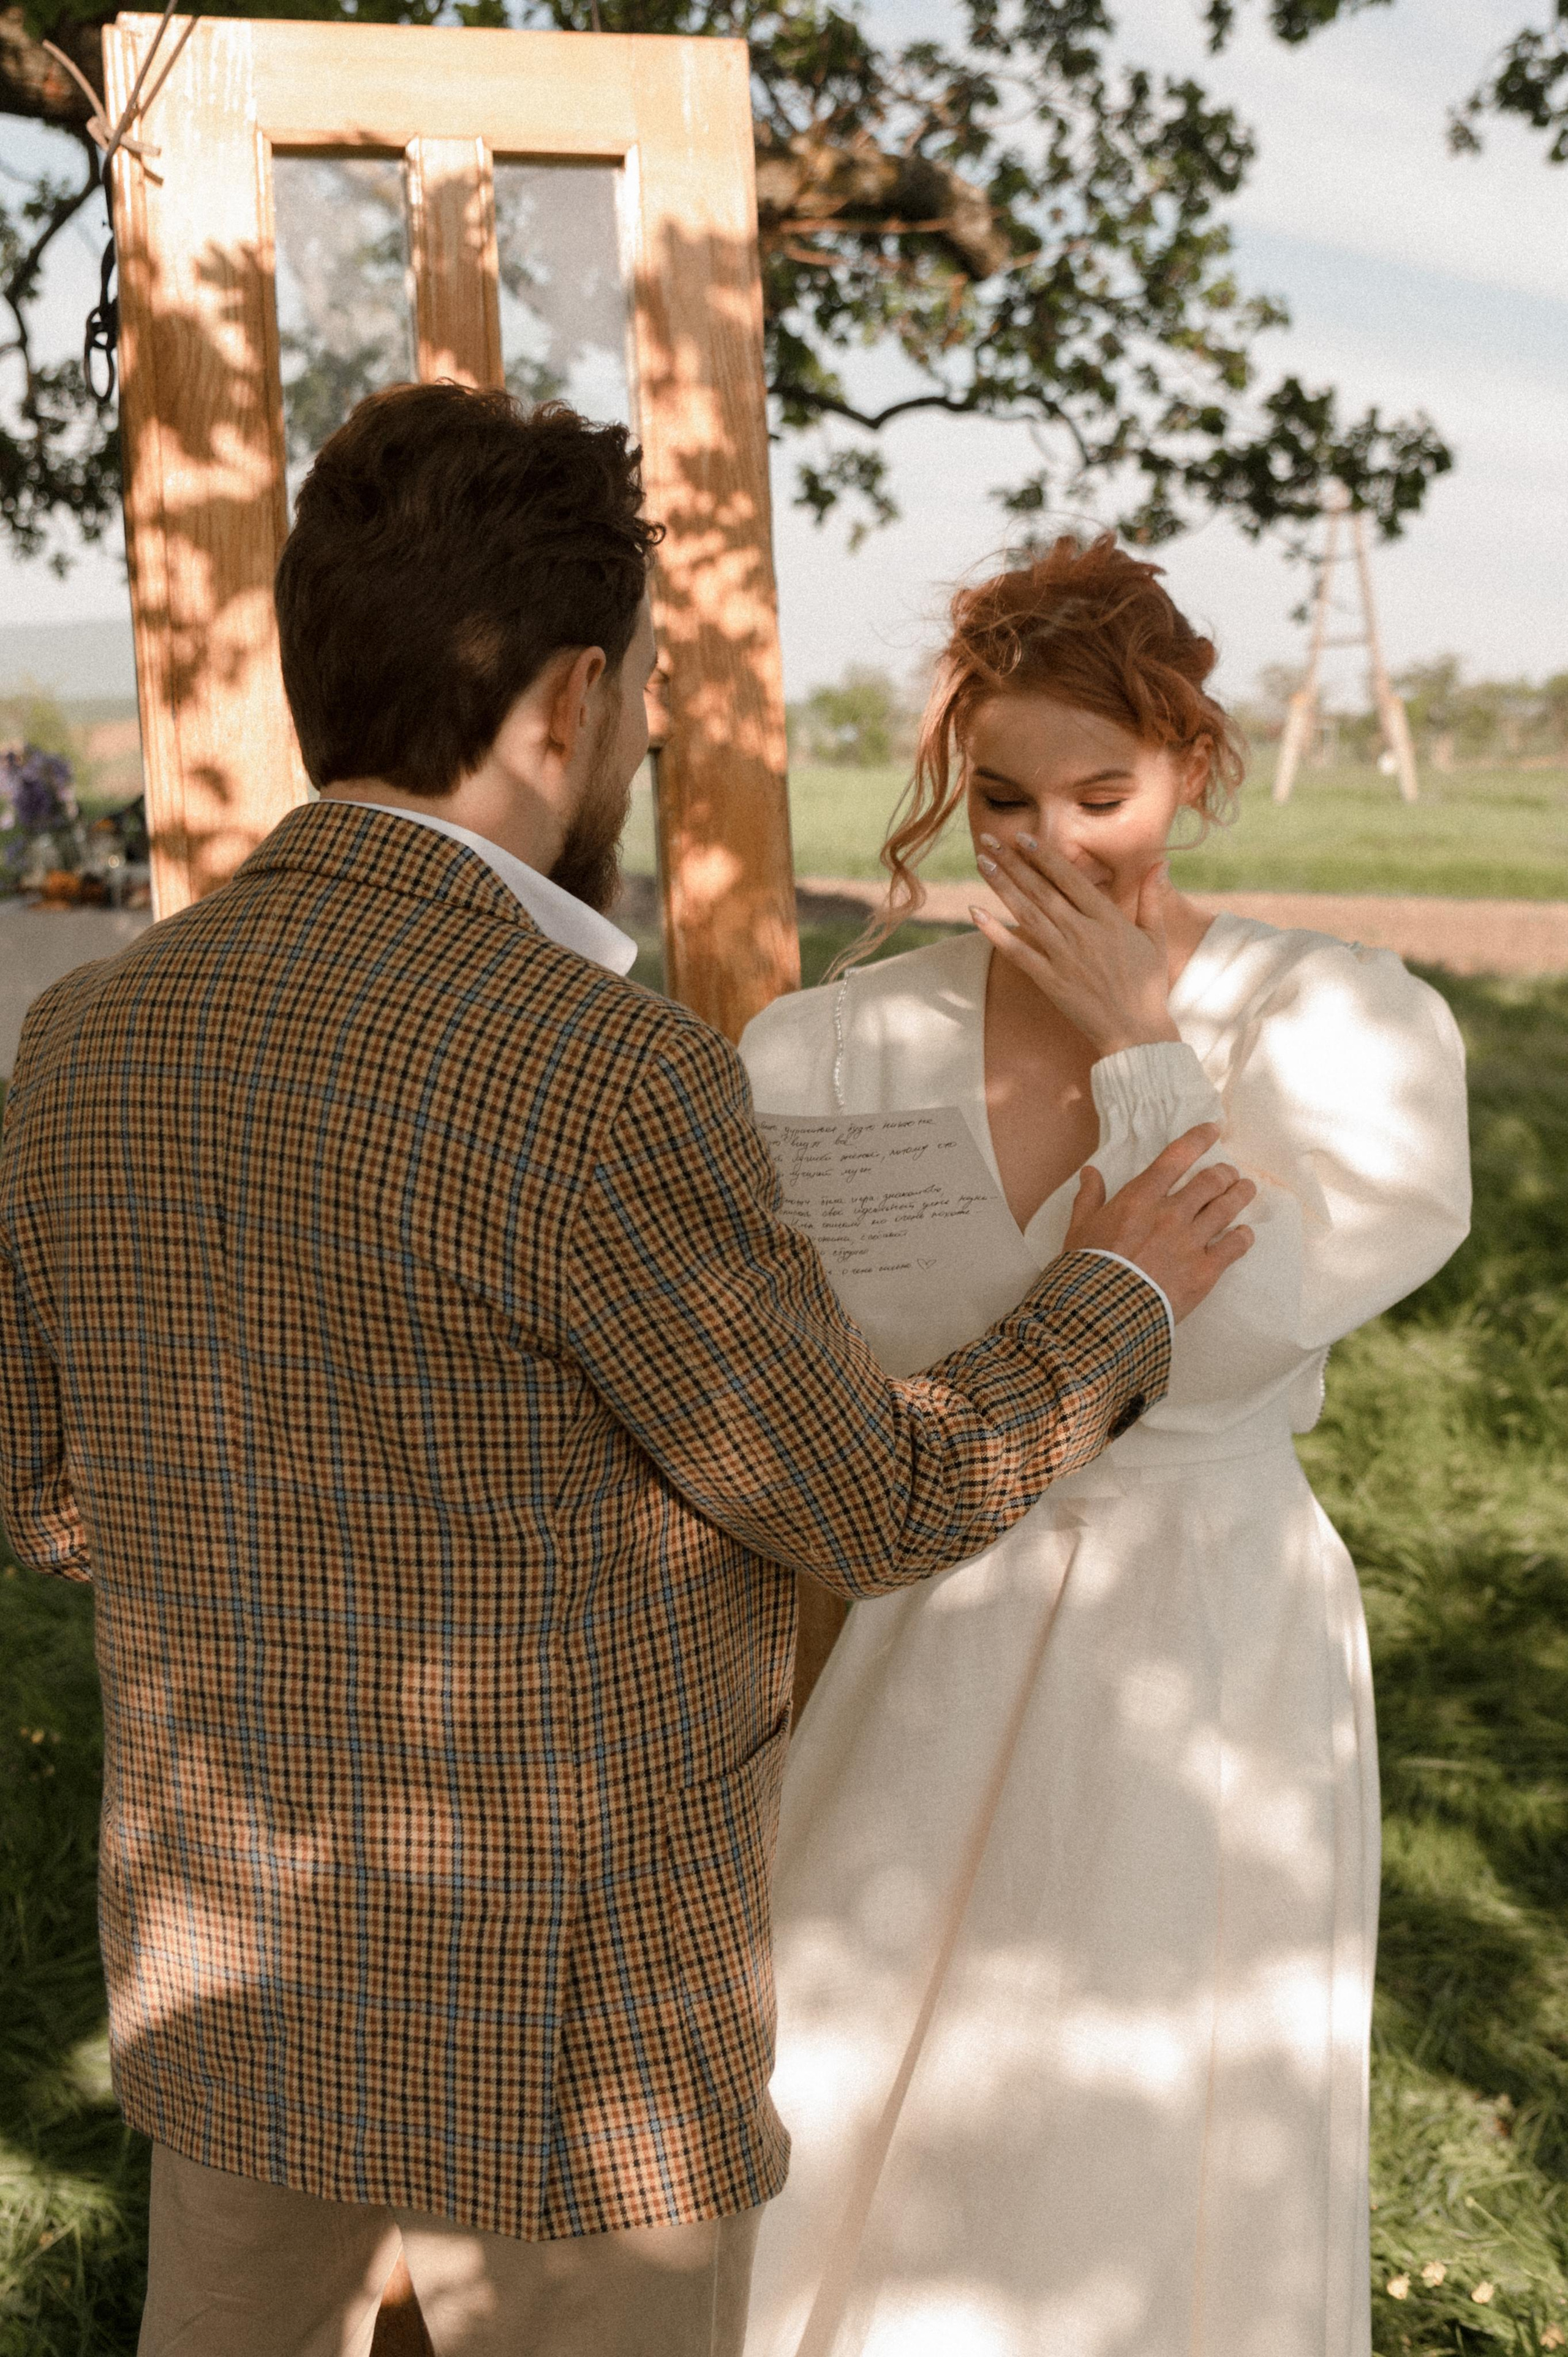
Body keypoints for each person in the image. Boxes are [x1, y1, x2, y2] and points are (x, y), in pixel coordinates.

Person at [0, 394, 1255, 2357]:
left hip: (225, 1980)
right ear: (569, 702)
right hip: (569, 2051)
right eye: (656, 687)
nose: (659, 732)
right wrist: (1117, 1290)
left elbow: (48, 1491)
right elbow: (871, 1500)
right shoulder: (599, 1069)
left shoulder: (84, 1038)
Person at [739, 534, 1472, 2357]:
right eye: (999, 797)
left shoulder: (1338, 1023)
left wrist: (1149, 1048)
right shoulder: (838, 1047)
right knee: (860, 2066)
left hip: (1203, 1630)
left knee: (1143, 2106)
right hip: (932, 1599)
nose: (1050, 844)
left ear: (1197, 775)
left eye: (1104, 795)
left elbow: (1228, 1335)